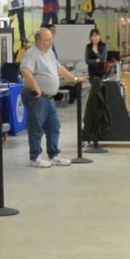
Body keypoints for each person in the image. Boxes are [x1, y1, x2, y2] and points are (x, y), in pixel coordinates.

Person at [20, 27, 85, 167]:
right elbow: (25, 71)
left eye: (51, 39)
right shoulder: (32, 53)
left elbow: (59, 68)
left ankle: (54, 154)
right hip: (37, 97)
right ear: (38, 41)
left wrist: (74, 78)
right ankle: (35, 158)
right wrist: (37, 88)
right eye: (47, 40)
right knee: (36, 128)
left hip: (49, 98)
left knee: (54, 126)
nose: (50, 42)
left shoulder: (48, 52)